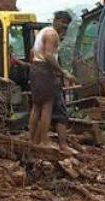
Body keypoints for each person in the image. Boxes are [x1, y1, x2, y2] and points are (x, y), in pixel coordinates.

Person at [29, 10, 75, 151]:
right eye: (63, 24)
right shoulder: (51, 34)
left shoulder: (43, 32)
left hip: (36, 69)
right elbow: (49, 55)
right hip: (44, 71)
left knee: (36, 106)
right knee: (47, 106)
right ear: (57, 20)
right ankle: (44, 141)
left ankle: (33, 141)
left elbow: (32, 52)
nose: (64, 28)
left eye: (66, 26)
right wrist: (63, 71)